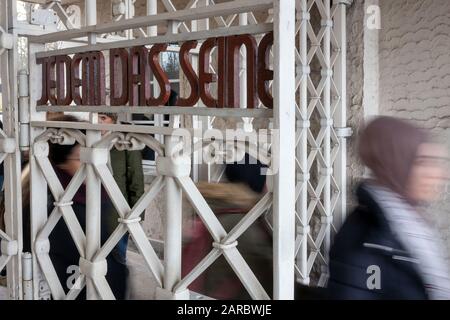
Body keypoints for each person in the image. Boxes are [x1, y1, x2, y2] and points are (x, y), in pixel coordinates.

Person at [327, 116, 450, 300]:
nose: (439, 174)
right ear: (397, 163)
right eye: (423, 162)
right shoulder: (366, 239)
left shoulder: (411, 222)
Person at [20, 114, 128, 299]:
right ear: (61, 163)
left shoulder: (87, 195)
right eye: (81, 159)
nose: (92, 167)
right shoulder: (54, 206)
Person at [97, 113, 145, 266]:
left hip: (117, 211)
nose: (98, 122)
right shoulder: (87, 140)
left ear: (114, 120)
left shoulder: (125, 140)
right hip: (91, 208)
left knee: (117, 259)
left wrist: (137, 214)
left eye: (103, 118)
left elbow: (135, 178)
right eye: (96, 117)